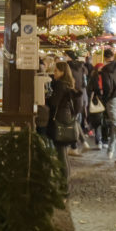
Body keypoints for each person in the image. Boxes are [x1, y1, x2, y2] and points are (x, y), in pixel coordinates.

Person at [46, 62, 80, 190]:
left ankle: (64, 186)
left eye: (56, 71)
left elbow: (54, 103)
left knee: (61, 153)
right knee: (63, 153)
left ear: (62, 72)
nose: (54, 73)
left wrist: (47, 98)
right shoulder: (68, 84)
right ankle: (64, 183)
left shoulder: (60, 85)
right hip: (65, 119)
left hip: (59, 121)